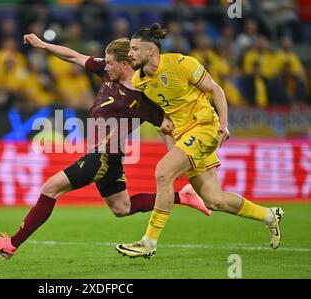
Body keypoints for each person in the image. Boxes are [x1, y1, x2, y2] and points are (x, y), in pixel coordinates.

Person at [0, 34, 211, 259]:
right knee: (121, 208)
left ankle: (10, 245)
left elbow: (168, 127)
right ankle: (183, 197)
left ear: (125, 64)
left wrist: (176, 160)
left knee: (49, 189)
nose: (106, 66)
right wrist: (42, 45)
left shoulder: (145, 95)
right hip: (108, 156)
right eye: (105, 61)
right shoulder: (106, 71)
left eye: (110, 62)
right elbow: (74, 57)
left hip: (101, 156)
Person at [116, 23, 284, 259]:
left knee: (163, 172)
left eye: (134, 49)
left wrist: (224, 124)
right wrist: (169, 140)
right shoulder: (141, 81)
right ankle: (269, 216)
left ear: (151, 51)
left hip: (205, 128)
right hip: (185, 137)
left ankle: (148, 243)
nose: (130, 54)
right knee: (214, 200)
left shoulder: (181, 63)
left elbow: (216, 90)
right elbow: (168, 114)